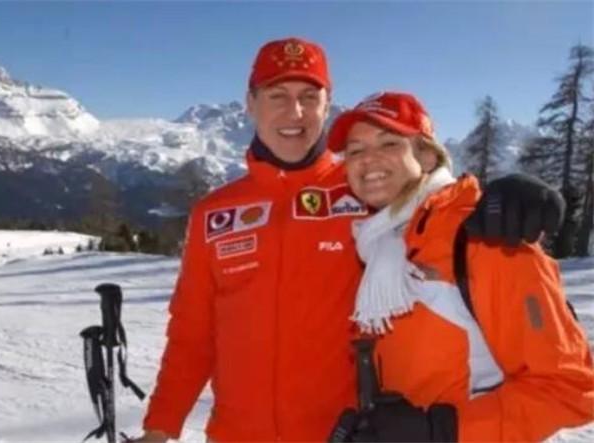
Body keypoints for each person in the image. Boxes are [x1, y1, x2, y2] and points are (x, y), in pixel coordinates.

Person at [134, 38, 567, 442]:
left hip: (343, 432)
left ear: (327, 104)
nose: (295, 113)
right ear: (250, 103)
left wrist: (509, 194)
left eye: (310, 97)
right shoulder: (214, 212)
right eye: (277, 96)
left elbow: (433, 200)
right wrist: (159, 426)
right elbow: (192, 332)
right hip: (235, 433)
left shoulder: (365, 189)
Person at [327, 91, 594, 441]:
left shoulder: (485, 240)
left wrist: (440, 431)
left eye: (389, 143)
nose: (368, 160)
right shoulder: (376, 246)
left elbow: (568, 388)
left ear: (426, 156)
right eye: (355, 150)